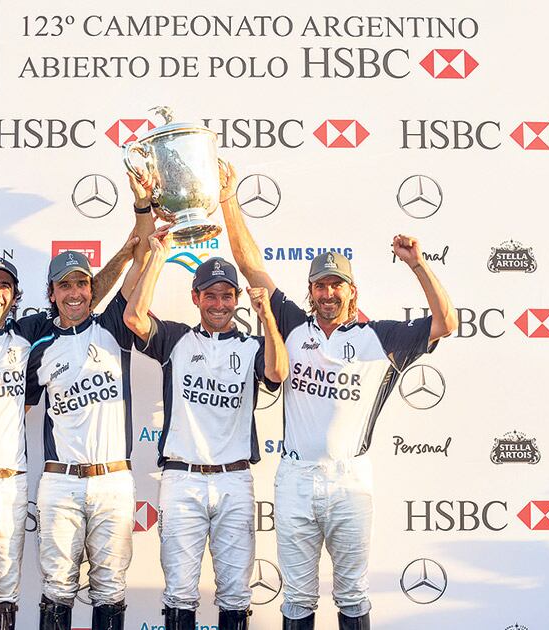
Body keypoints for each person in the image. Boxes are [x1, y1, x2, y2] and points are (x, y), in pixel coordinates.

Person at [218, 162, 458, 630]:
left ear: (352, 290)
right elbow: (250, 265)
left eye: (337, 285)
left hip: (350, 479)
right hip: (295, 477)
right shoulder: (291, 323)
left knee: (351, 594)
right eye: (320, 285)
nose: (328, 293)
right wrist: (229, 198)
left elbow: (446, 323)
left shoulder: (380, 336)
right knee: (298, 598)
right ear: (310, 291)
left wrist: (417, 264)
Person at [0, 150, 141, 630]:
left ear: (16, 295)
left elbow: (85, 296)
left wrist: (127, 251)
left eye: (5, 286)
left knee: (2, 597)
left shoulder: (31, 335)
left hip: (11, 483)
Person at [122, 227, 289, 630]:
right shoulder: (177, 339)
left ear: (236, 299)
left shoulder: (251, 345)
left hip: (234, 480)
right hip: (182, 480)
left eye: (226, 295)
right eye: (209, 295)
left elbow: (278, 372)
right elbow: (133, 316)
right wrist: (158, 256)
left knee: (235, 593)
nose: (218, 303)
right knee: (179, 592)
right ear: (195, 298)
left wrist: (266, 315)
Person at [25, 170, 157, 630]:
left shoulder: (114, 326)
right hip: (59, 483)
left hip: (113, 482)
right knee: (57, 588)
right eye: (65, 286)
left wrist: (142, 206)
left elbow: (140, 254)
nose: (75, 293)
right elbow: (16, 405)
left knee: (110, 588)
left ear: (90, 288)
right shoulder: (37, 344)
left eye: (82, 284)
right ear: (53, 294)